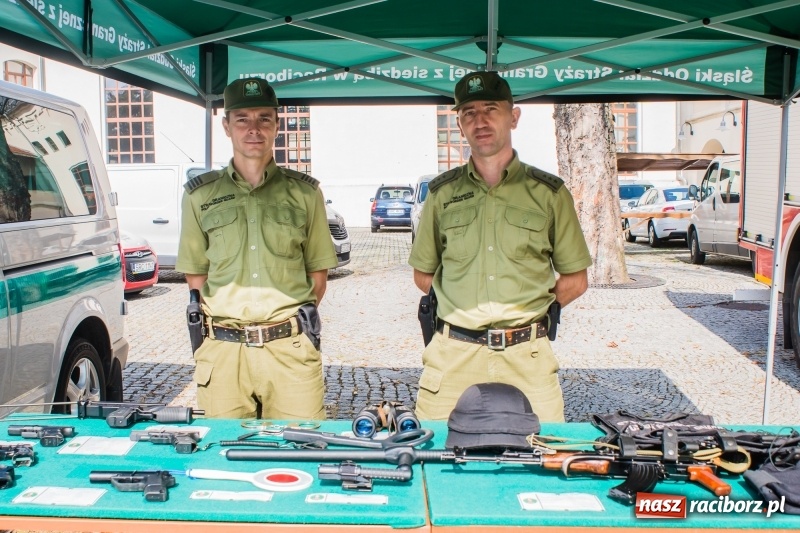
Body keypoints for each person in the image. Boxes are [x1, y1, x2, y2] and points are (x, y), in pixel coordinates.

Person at [408, 71, 592, 422]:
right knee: (436, 448)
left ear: (514, 117)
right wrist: (463, 300)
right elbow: (423, 274)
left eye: (491, 109)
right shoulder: (442, 194)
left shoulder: (549, 194)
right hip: (454, 355)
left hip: (527, 357)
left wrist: (527, 308)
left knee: (544, 447)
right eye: (469, 113)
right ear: (459, 124)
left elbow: (575, 280)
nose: (480, 121)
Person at [176, 77, 338, 420]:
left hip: (289, 352)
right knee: (222, 448)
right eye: (242, 119)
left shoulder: (305, 194)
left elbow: (318, 277)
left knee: (302, 445)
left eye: (264, 118)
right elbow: (196, 277)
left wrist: (282, 325)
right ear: (226, 126)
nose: (254, 128)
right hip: (224, 354)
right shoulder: (199, 196)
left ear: (277, 125)